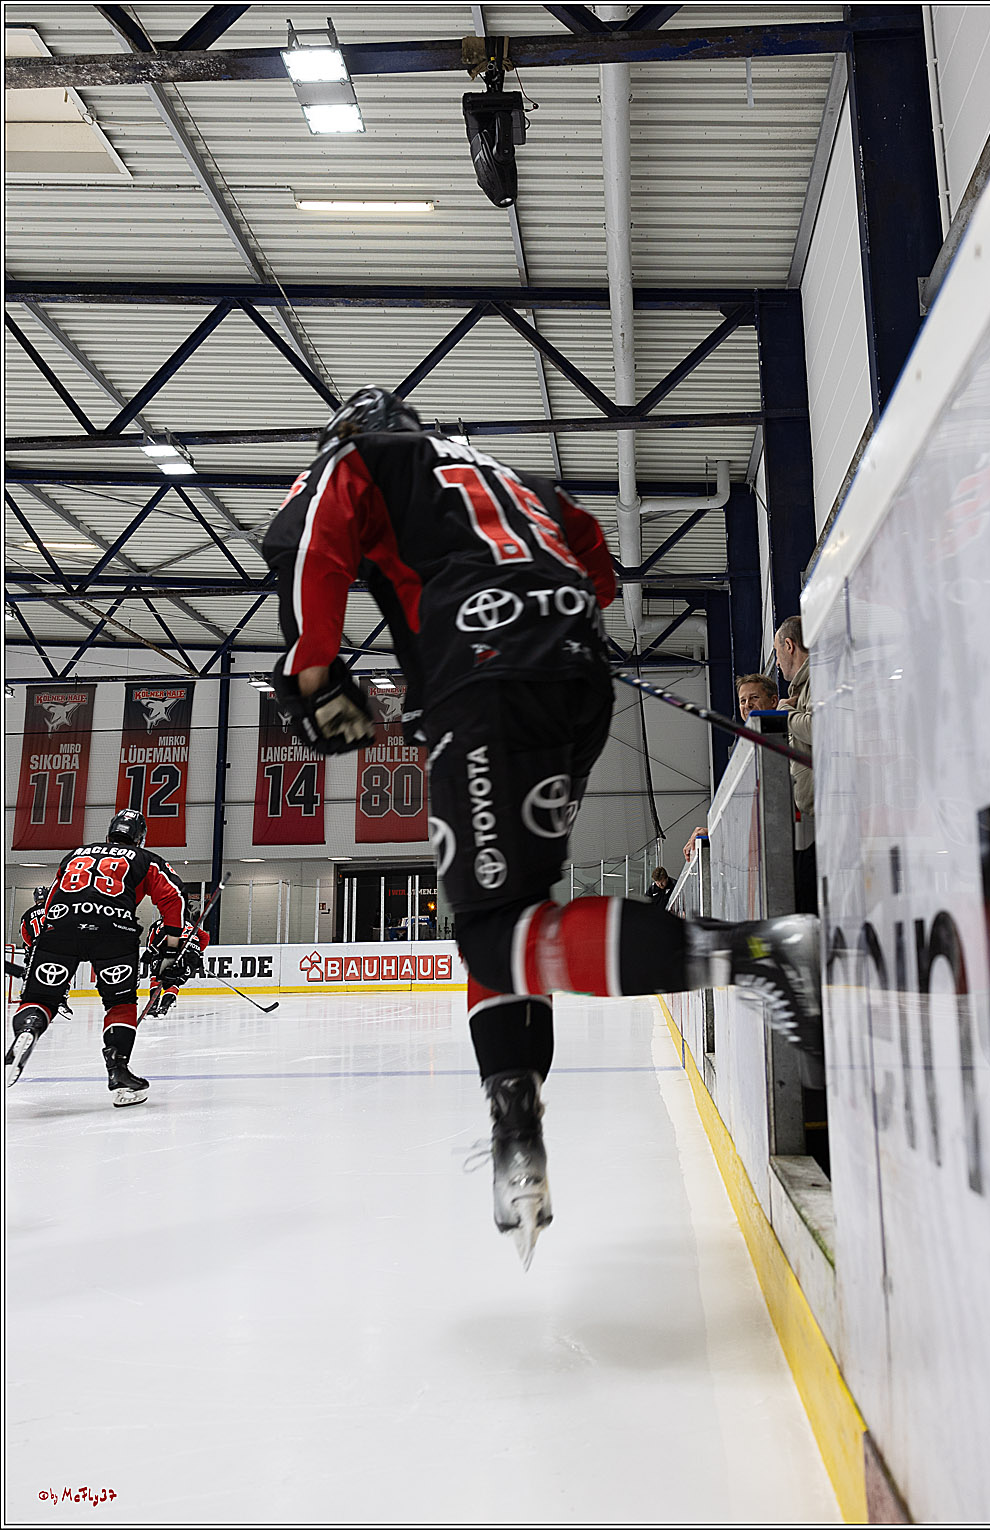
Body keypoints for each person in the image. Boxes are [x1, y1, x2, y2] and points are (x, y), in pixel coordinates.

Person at [262, 386, 824, 1267]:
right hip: (573, 680)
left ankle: (750, 954)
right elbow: (596, 565)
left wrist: (312, 670)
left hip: (488, 680)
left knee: (490, 937)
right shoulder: (505, 474)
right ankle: (515, 1117)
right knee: (514, 914)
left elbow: (303, 538)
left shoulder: (368, 457)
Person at [4, 810, 187, 1106]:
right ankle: (118, 1071)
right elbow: (173, 897)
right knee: (120, 1003)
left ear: (109, 833)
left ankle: (29, 1028)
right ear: (140, 838)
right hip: (114, 931)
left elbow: (53, 896)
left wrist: (50, 933)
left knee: (41, 998)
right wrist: (171, 948)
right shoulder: (145, 859)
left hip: (59, 927)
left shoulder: (77, 854)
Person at [682, 673, 780, 863]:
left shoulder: (779, 738)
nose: (747, 705)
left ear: (773, 700)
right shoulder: (745, 746)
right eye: (743, 700)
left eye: (754, 698)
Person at [773, 616, 816, 914]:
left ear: (789, 646)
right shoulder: (804, 688)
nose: (777, 664)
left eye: (777, 655)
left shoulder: (819, 678)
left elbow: (820, 728)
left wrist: (786, 715)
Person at [144, 898, 211, 1016]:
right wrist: (196, 951)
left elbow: (152, 941)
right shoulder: (190, 924)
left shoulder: (159, 924)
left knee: (156, 978)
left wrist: (151, 955)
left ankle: (153, 1006)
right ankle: (164, 1007)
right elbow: (205, 937)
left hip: (168, 950)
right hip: (190, 953)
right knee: (176, 980)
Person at [18, 884, 74, 1020]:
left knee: (37, 976)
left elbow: (25, 934)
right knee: (62, 972)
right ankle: (61, 999)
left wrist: (32, 946)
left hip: (37, 949)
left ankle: (32, 1005)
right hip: (56, 946)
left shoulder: (27, 914)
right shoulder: (55, 908)